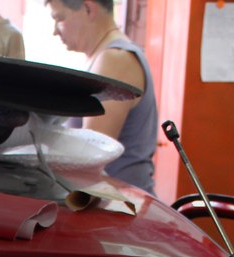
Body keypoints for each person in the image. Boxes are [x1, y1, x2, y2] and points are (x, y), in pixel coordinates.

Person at [46, 0, 157, 193]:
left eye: (59, 18)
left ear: (88, 8)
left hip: (120, 202)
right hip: (111, 198)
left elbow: (89, 157)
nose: (55, 31)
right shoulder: (104, 57)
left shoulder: (114, 60)